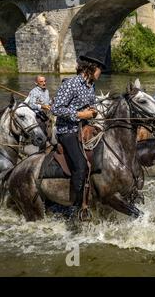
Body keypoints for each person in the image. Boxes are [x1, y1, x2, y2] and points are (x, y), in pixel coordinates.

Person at [51, 51, 105, 212]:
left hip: (86, 127)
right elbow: (56, 108)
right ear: (90, 68)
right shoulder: (71, 83)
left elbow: (90, 105)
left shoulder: (91, 85)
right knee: (81, 165)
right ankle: (77, 207)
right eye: (99, 69)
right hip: (68, 130)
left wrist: (93, 111)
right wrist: (80, 114)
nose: (100, 72)